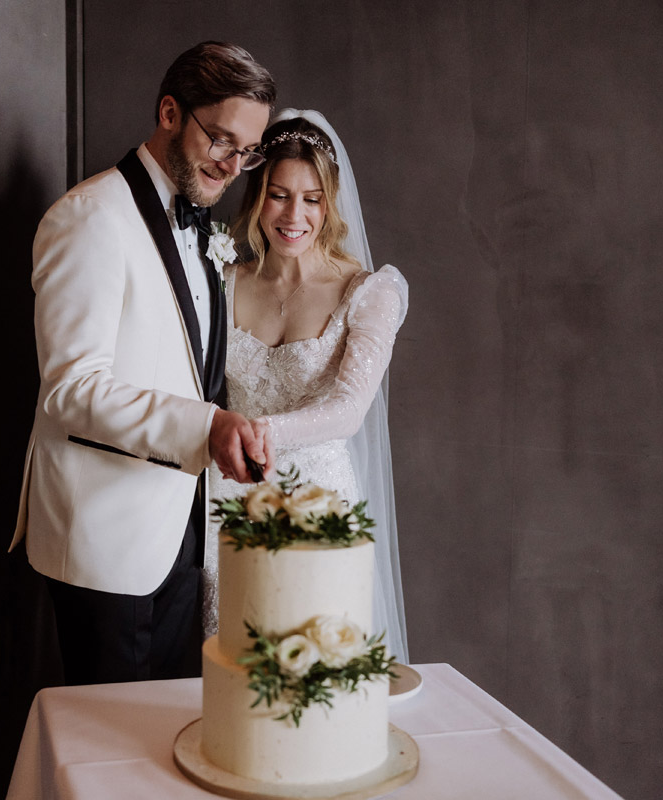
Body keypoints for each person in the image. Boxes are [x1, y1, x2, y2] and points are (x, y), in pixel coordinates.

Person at [9, 42, 277, 686]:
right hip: (105, 540)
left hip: (179, 536)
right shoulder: (88, 218)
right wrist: (203, 426)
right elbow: (70, 391)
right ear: (168, 112)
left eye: (248, 152)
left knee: (159, 740)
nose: (234, 166)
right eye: (221, 140)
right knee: (111, 752)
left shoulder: (203, 227)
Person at [205, 110, 410, 664]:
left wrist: (248, 430)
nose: (294, 214)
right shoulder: (222, 283)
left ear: (331, 203)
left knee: (312, 675)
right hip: (227, 506)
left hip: (320, 505)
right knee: (227, 676)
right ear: (257, 194)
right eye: (279, 194)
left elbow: (347, 412)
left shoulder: (368, 292)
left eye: (313, 198)